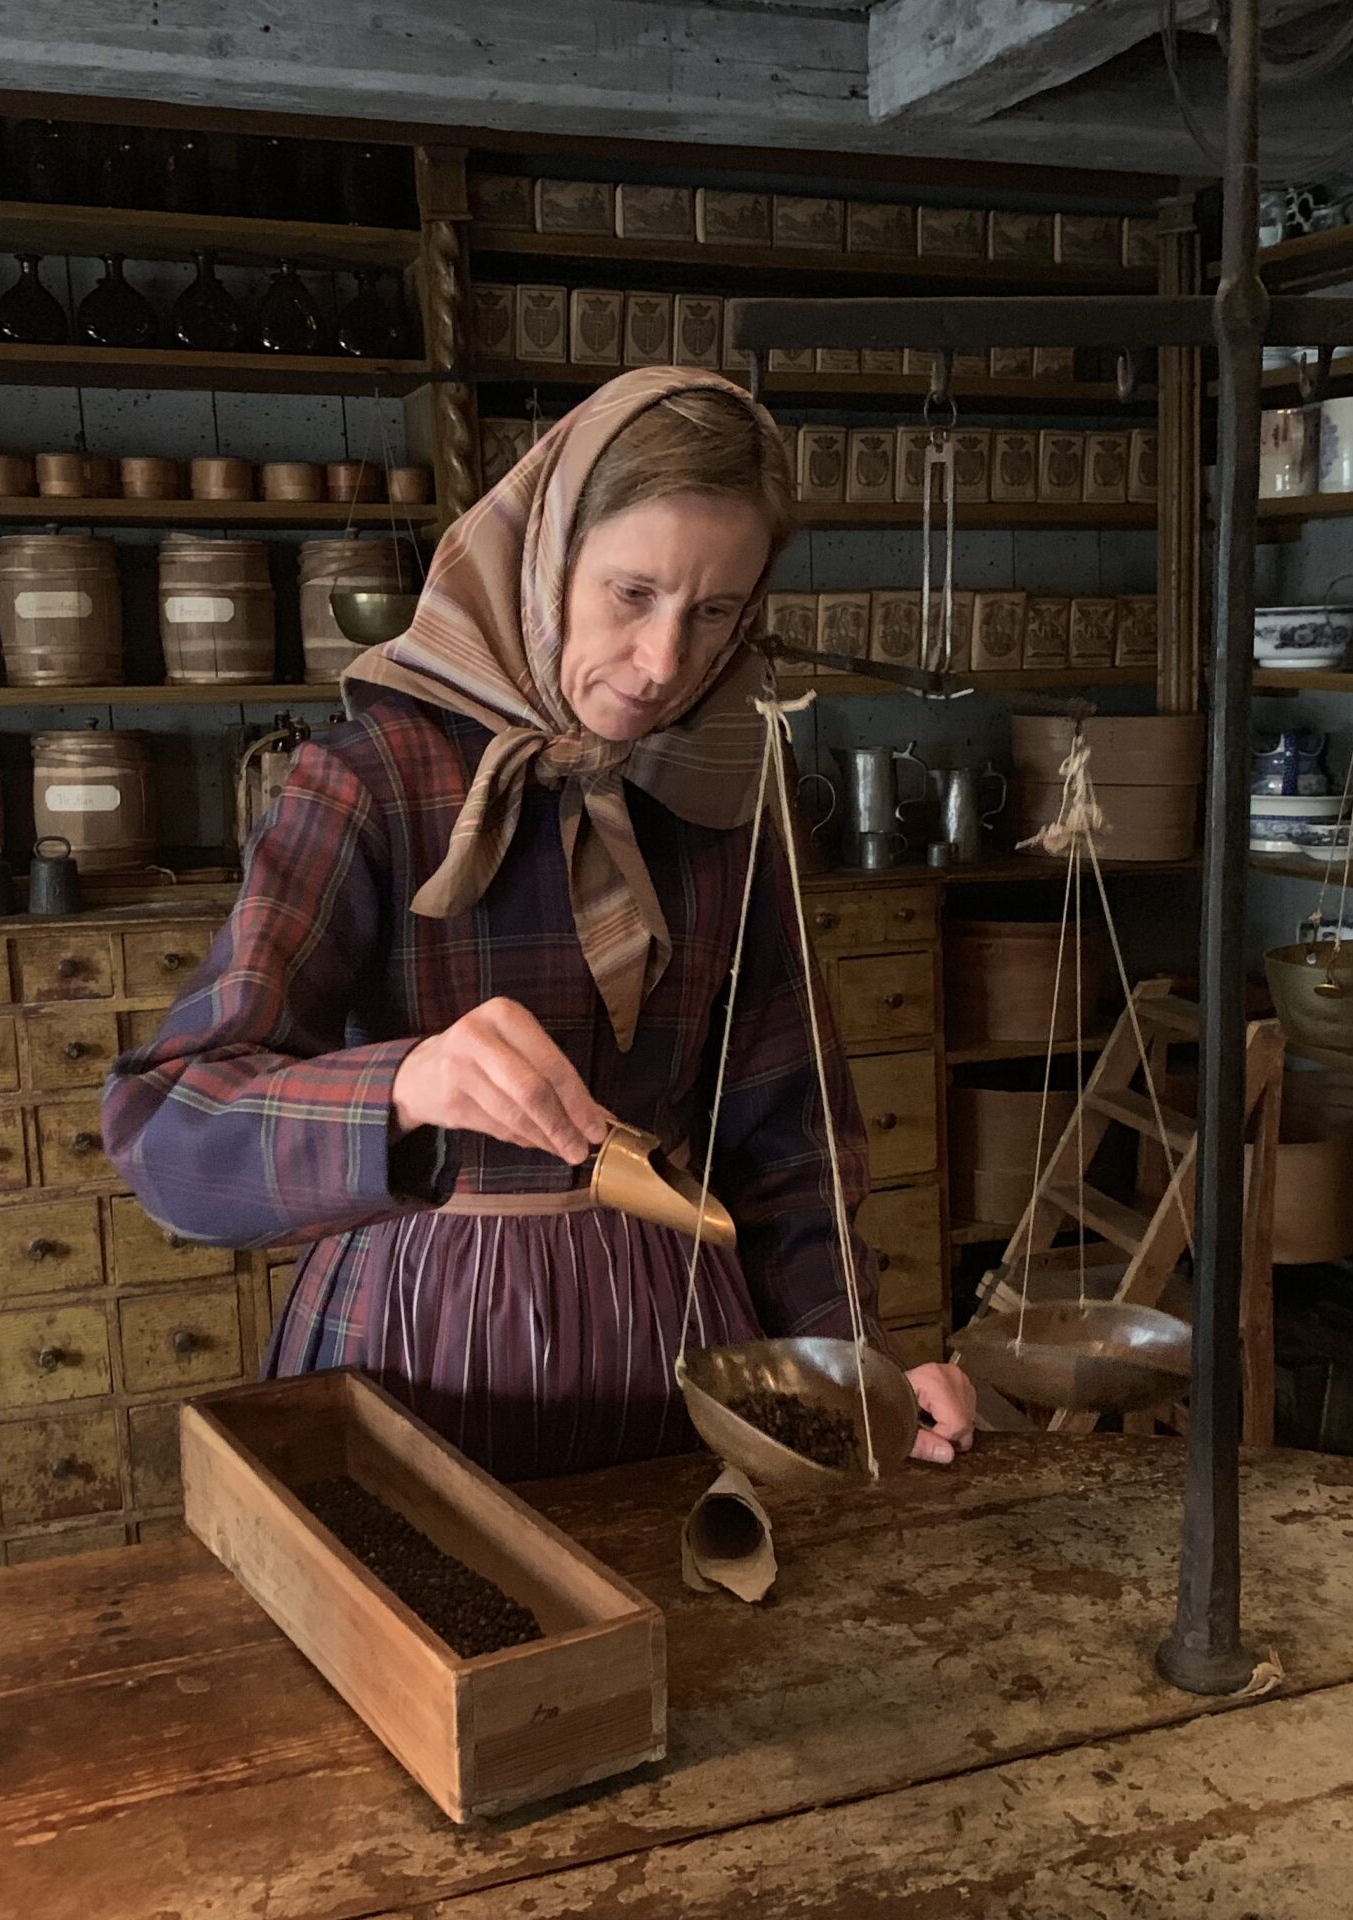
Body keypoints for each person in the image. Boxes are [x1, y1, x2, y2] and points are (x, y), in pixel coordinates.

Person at [104, 366, 977, 1479]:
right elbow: (168, 1136)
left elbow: (789, 1142)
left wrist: (854, 1364)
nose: (665, 663)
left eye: (712, 613)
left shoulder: (723, 795)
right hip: (416, 1347)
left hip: (675, 1353)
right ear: (544, 561)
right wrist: (404, 1085)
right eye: (630, 595)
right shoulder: (371, 782)